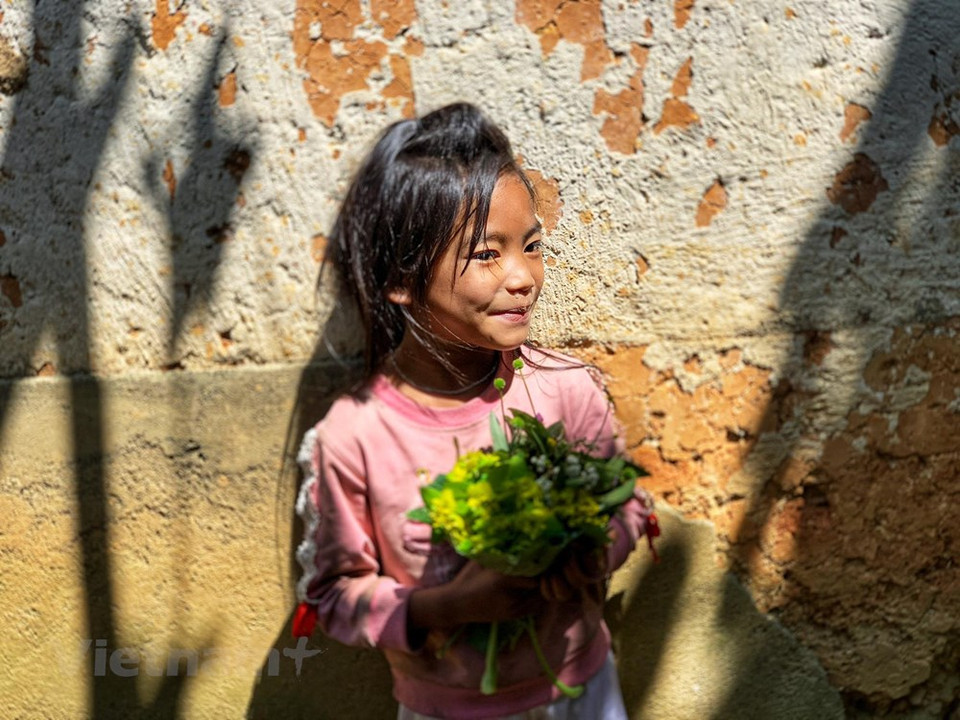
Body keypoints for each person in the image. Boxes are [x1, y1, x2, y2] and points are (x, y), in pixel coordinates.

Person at [293, 103, 656, 720]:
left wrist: (592, 551)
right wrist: (448, 607)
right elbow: (333, 594)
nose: (524, 277)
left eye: (532, 245)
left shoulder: (565, 391)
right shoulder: (355, 438)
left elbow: (627, 504)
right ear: (400, 278)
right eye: (487, 254)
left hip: (582, 693)